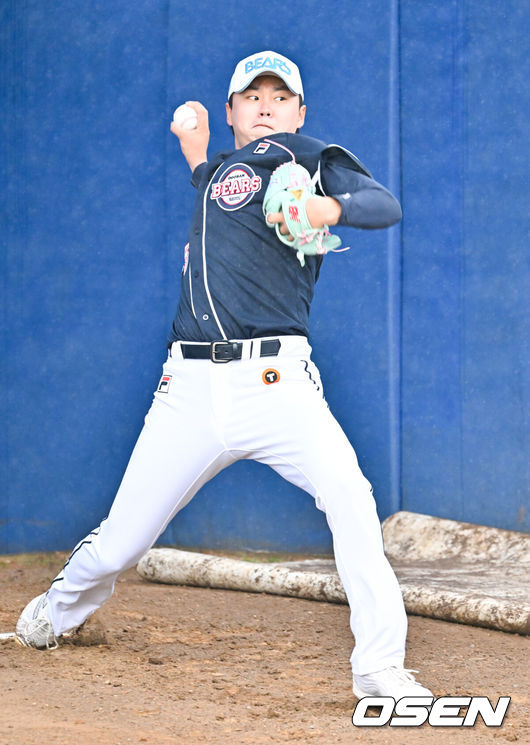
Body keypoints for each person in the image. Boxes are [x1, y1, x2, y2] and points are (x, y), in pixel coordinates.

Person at [16, 51, 433, 701]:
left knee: (351, 500)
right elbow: (219, 188)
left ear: (299, 111)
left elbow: (382, 204)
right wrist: (194, 149)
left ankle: (379, 668)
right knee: (119, 545)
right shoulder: (219, 175)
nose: (266, 103)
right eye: (252, 94)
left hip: (277, 385)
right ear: (234, 109)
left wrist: (328, 211)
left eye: (280, 94)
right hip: (186, 390)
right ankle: (58, 610)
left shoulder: (308, 158)